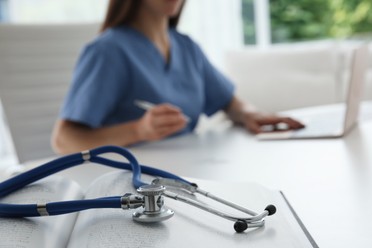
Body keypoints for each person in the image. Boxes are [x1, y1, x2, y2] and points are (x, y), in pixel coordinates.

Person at [51, 0, 304, 154]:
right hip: (133, 186)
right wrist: (139, 130)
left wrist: (250, 113)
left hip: (188, 174)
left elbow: (228, 101)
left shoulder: (186, 46)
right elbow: (64, 140)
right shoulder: (107, 51)